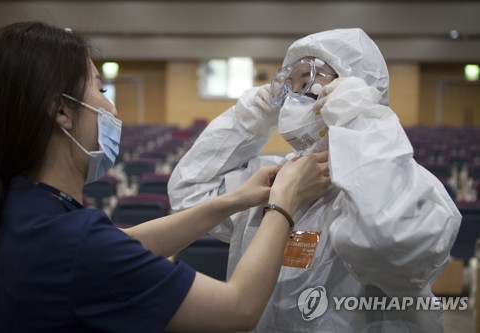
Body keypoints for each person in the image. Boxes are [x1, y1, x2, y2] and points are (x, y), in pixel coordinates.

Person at [0, 21, 332, 332]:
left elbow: (128, 243)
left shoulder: (23, 204)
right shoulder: (73, 244)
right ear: (61, 111)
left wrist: (233, 199)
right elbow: (237, 308)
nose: (111, 108)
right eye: (100, 90)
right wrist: (284, 201)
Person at [168, 28, 462, 332]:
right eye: (289, 88)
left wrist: (360, 121)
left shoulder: (404, 186)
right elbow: (189, 193)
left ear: (354, 89)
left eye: (309, 86)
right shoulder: (273, 177)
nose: (292, 101)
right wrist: (248, 120)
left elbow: (389, 242)